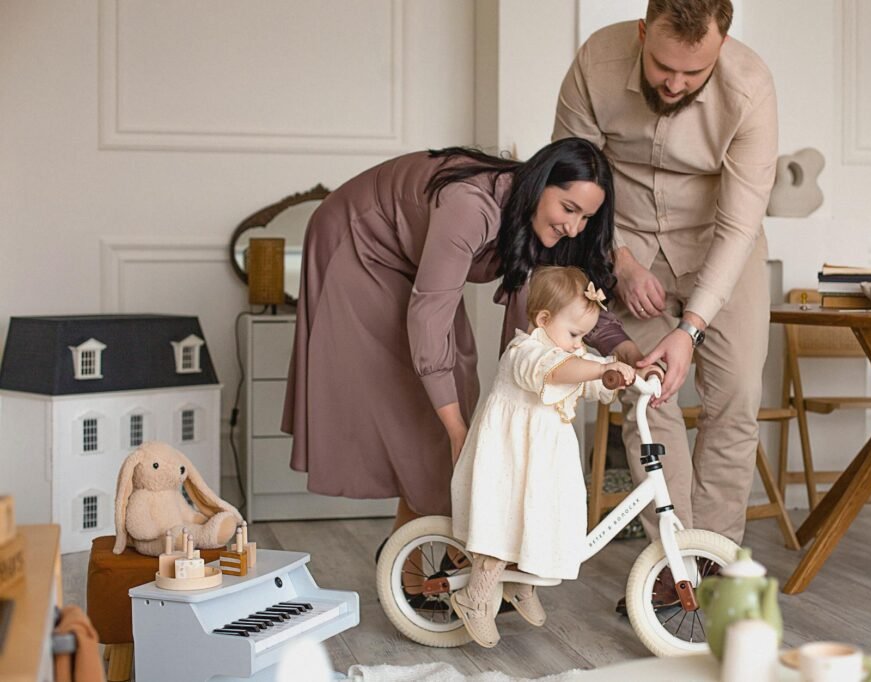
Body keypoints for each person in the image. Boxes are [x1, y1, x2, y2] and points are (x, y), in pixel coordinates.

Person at [282, 138, 648, 545]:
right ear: (540, 184)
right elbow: (428, 317)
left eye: (586, 218)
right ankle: (420, 560)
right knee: (426, 405)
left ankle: (417, 545)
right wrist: (458, 431)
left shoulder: (544, 224)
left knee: (459, 373)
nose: (574, 227)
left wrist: (625, 348)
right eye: (568, 208)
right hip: (358, 241)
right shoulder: (470, 207)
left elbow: (566, 302)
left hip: (412, 256)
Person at [553, 0, 778, 605]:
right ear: (641, 33)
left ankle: (717, 563)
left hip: (720, 248)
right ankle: (671, 570)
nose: (675, 84)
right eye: (662, 67)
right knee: (648, 399)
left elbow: (739, 225)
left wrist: (692, 327)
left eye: (693, 73)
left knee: (736, 401)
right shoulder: (596, 63)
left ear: (722, 46)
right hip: (623, 244)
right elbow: (569, 176)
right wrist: (621, 260)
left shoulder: (751, 87)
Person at [449, 266, 636, 648]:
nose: (578, 343)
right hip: (510, 458)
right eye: (573, 334)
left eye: (584, 336)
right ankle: (475, 596)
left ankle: (521, 585)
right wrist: (601, 368)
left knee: (541, 521)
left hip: (544, 463)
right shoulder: (526, 351)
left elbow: (589, 379)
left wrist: (615, 377)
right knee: (503, 523)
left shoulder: (571, 353)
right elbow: (559, 371)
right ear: (543, 319)